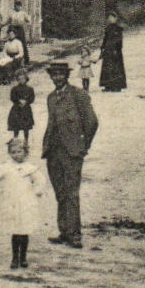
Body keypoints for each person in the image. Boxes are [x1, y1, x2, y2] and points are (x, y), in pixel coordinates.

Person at [41, 61, 97, 249]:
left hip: (72, 152)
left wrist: (83, 145)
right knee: (60, 192)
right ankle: (64, 231)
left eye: (60, 75)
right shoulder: (50, 98)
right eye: (53, 75)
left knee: (72, 193)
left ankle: (74, 234)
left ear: (66, 76)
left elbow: (91, 122)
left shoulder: (78, 95)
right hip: (53, 151)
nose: (57, 78)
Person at [0, 137, 45, 269]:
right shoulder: (6, 166)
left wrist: (37, 190)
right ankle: (15, 257)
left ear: (26, 152)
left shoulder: (31, 168)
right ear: (10, 153)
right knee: (15, 231)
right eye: (13, 152)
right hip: (12, 203)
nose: (16, 155)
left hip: (26, 202)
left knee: (25, 230)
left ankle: (23, 257)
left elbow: (40, 180)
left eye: (19, 152)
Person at [98, 12, 127, 92]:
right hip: (108, 51)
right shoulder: (107, 28)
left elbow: (119, 41)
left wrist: (117, 49)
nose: (110, 19)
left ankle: (117, 86)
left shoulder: (118, 29)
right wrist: (103, 47)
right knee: (107, 68)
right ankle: (108, 86)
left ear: (116, 18)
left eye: (112, 17)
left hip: (115, 52)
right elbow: (105, 39)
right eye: (109, 18)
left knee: (116, 68)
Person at [7, 68, 35, 147]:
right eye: (19, 79)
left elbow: (32, 98)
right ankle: (15, 139)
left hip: (26, 110)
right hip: (17, 110)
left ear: (26, 79)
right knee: (16, 126)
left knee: (26, 127)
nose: (21, 80)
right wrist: (18, 102)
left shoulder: (30, 89)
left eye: (23, 79)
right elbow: (12, 98)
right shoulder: (14, 89)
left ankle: (26, 141)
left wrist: (26, 101)